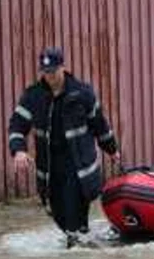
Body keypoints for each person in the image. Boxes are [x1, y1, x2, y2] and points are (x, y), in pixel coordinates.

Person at [8, 47, 120, 248]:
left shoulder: (82, 93)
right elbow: (17, 125)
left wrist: (111, 149)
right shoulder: (33, 96)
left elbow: (99, 124)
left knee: (73, 216)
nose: (49, 76)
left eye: (53, 71)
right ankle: (81, 246)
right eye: (45, 72)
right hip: (50, 168)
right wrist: (19, 150)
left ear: (63, 67)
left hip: (78, 167)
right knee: (59, 215)